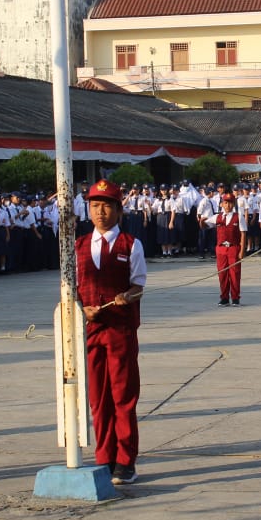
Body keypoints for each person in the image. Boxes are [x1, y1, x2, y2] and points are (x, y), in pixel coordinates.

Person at [75, 179, 147, 485]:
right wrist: (81, 309)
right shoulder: (78, 246)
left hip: (120, 330)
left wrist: (127, 296)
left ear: (119, 210)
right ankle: (103, 458)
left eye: (106, 206)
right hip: (91, 330)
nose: (100, 212)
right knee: (98, 397)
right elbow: (71, 289)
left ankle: (125, 460)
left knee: (123, 395)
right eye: (94, 206)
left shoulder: (131, 244)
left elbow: (138, 286)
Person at [214, 192, 245, 306]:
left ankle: (235, 298)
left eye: (230, 203)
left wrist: (242, 251)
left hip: (233, 248)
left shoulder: (238, 217)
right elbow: (205, 224)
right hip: (221, 248)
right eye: (226, 203)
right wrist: (202, 221)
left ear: (234, 204)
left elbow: (243, 234)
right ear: (222, 204)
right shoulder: (217, 217)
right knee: (222, 274)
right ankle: (224, 297)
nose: (228, 205)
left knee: (234, 274)